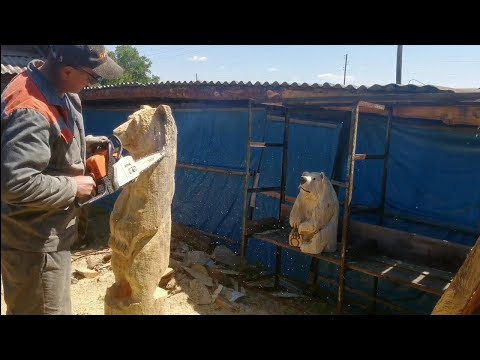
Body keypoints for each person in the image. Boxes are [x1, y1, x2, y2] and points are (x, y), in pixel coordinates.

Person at [1, 45, 124, 315]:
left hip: (53, 235)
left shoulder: (59, 90)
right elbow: (16, 183)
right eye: (93, 78)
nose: (93, 84)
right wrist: (73, 185)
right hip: (35, 244)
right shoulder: (30, 109)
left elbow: (53, 137)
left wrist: (87, 146)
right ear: (68, 70)